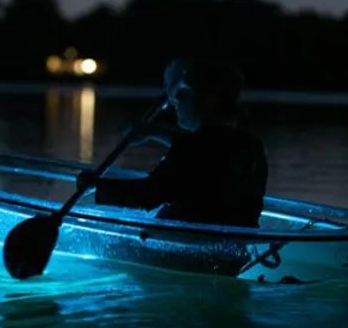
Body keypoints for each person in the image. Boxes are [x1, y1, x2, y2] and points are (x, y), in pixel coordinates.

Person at [76, 58, 268, 228]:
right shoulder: (252, 145)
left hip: (183, 250)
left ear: (210, 100)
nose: (175, 100)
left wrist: (97, 185)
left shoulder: (194, 148)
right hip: (235, 252)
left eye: (183, 92)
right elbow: (210, 158)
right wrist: (154, 132)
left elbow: (150, 194)